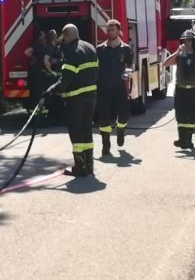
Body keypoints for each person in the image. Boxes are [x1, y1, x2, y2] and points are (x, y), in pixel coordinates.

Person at [54, 23, 98, 176]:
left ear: (66, 35)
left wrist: (53, 90)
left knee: (76, 131)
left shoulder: (72, 51)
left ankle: (79, 167)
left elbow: (66, 78)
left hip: (75, 99)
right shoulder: (90, 47)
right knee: (86, 129)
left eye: (63, 36)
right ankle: (89, 165)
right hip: (91, 97)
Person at [163, 28, 195, 150]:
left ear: (193, 42)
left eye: (189, 41)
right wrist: (177, 53)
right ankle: (182, 140)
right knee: (180, 116)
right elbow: (165, 63)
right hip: (180, 90)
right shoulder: (179, 56)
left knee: (191, 116)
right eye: (184, 40)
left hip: (193, 90)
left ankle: (188, 139)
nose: (187, 43)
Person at [95, 19, 134, 156]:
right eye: (108, 29)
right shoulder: (100, 49)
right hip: (103, 89)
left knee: (123, 115)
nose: (110, 32)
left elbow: (130, 67)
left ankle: (121, 131)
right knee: (103, 118)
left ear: (118, 31)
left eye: (112, 29)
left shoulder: (126, 49)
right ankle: (106, 144)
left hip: (120, 89)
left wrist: (127, 74)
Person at [24, 29, 55, 116]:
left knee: (36, 94)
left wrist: (34, 59)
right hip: (40, 75)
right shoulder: (44, 46)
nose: (44, 35)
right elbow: (46, 60)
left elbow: (27, 52)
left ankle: (36, 114)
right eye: (42, 34)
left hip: (34, 73)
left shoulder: (36, 45)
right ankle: (41, 116)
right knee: (42, 94)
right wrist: (51, 71)